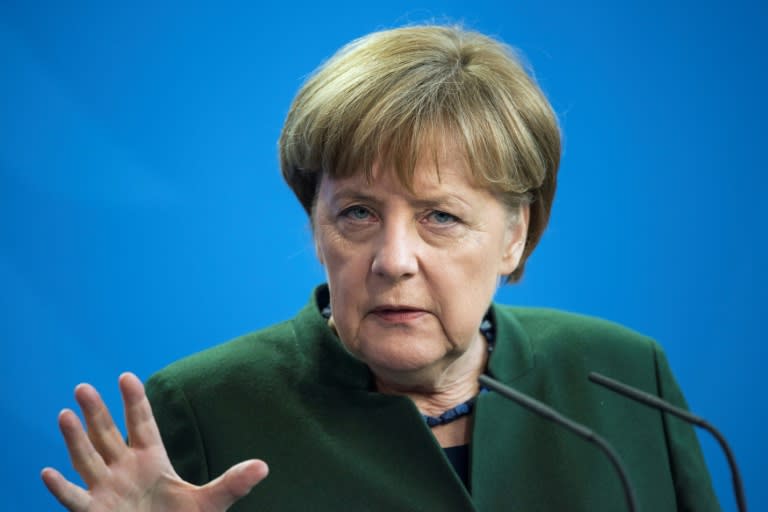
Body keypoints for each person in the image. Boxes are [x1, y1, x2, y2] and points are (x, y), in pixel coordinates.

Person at [42, 25, 721, 511]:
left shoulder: (629, 379)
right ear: (317, 226)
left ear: (516, 235)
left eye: (440, 217)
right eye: (358, 214)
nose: (394, 261)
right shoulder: (201, 410)